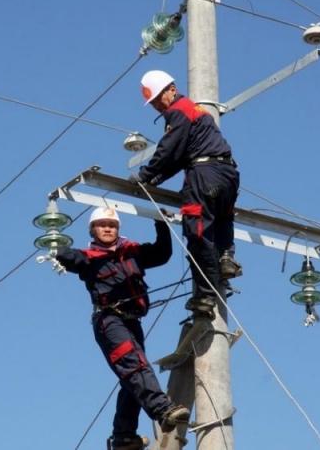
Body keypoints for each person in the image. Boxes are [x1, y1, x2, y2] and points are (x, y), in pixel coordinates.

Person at [55, 206, 190, 450]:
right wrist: (55, 238)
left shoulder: (132, 252)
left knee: (132, 378)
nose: (108, 228)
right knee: (134, 365)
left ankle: (124, 437)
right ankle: (162, 409)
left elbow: (162, 253)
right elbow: (67, 257)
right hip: (109, 321)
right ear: (92, 230)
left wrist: (160, 223)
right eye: (102, 225)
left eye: (112, 225)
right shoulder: (88, 257)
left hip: (132, 322)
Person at [130, 70, 241, 317]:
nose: (158, 106)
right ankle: (226, 258)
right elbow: (181, 155)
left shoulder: (178, 111)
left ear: (172, 89)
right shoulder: (195, 112)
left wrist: (145, 175)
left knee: (197, 233)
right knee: (221, 218)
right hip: (228, 174)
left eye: (158, 98)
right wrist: (156, 179)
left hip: (204, 175)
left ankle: (205, 295)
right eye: (153, 103)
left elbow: (169, 150)